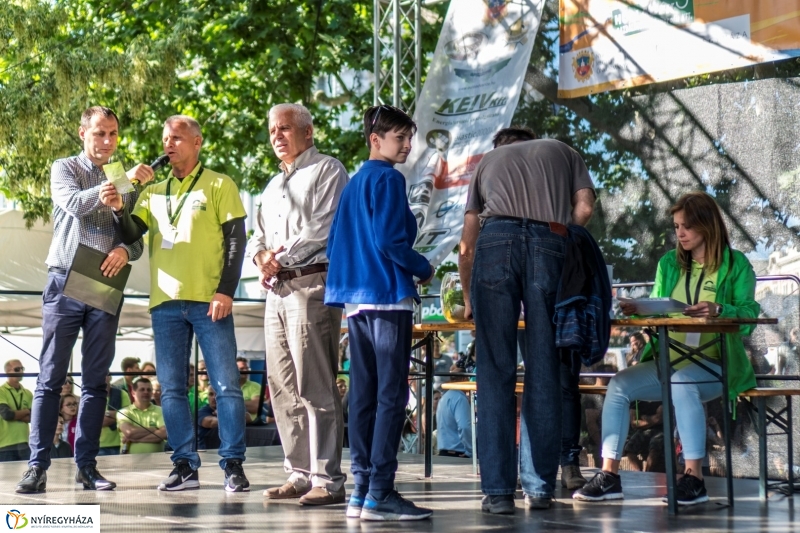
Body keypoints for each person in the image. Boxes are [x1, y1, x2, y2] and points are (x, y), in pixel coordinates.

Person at [574, 191, 760, 506]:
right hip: (668, 361)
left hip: (717, 366)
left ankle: (694, 479)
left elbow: (749, 317)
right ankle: (609, 476)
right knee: (619, 385)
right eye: (676, 227)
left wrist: (718, 309)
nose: (680, 233)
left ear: (708, 226)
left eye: (686, 226)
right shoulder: (668, 264)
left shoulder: (736, 264)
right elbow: (659, 308)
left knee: (682, 382)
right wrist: (640, 308)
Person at [106, 114, 250, 492]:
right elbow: (131, 232)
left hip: (209, 300)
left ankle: (232, 464)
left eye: (178, 138)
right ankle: (185, 465)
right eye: (166, 138)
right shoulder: (153, 191)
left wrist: (226, 290)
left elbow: (236, 242)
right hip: (165, 303)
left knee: (226, 386)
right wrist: (122, 205)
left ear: (198, 142)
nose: (169, 144)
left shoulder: (220, 184)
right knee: (170, 389)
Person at [16, 106, 154, 494]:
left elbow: (135, 237)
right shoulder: (64, 168)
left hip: (104, 282)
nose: (107, 141)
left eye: (112, 134)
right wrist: (120, 183)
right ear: (83, 133)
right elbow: (75, 204)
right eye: (99, 134)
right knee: (50, 378)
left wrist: (126, 251)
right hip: (64, 279)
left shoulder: (121, 177)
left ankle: (87, 467)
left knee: (96, 381)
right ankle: (36, 466)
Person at [459, 131, 595, 513]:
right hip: (548, 239)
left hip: (494, 240)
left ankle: (499, 494)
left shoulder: (487, 161)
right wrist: (559, 233)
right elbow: (584, 209)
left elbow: (467, 243)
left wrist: (470, 298)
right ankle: (538, 489)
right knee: (543, 370)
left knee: (495, 371)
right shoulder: (564, 151)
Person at [325, 104, 435, 521]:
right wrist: (423, 268)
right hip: (388, 296)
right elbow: (392, 242)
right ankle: (380, 492)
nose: (408, 145)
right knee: (390, 394)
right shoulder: (388, 178)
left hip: (355, 303)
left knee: (364, 395)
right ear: (376, 140)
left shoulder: (353, 184)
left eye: (410, 138)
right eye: (400, 138)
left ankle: (361, 491)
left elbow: (334, 246)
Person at [247, 103, 348, 506]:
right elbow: (256, 235)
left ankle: (328, 478)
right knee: (282, 386)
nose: (277, 136)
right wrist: (260, 258)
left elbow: (321, 228)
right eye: (272, 129)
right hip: (276, 291)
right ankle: (299, 473)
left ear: (308, 132)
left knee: (315, 382)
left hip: (311, 284)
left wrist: (278, 258)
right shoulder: (272, 186)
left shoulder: (328, 169)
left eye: (285, 128)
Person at [117, 378, 167, 454]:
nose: (146, 392)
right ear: (133, 393)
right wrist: (154, 429)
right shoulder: (124, 412)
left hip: (157, 461)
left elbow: (164, 433)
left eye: (149, 390)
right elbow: (130, 432)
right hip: (129, 462)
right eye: (142, 389)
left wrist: (135, 440)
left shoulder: (161, 411)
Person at [436, 365, 472, 458]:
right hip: (458, 453)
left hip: (444, 451)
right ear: (464, 379)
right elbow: (464, 427)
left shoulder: (444, 397)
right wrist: (470, 451)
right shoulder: (460, 399)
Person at [0, 360, 33, 462]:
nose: (21, 371)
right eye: (17, 369)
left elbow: (34, 417)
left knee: (26, 476)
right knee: (7, 478)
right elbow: (7, 415)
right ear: (7, 372)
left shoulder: (28, 393)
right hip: (5, 445)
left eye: (22, 368)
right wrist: (27, 411)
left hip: (24, 444)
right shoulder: (1, 391)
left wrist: (16, 414)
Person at [98, 375, 129, 456]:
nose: (103, 377)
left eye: (106, 374)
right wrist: (117, 416)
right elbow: (94, 421)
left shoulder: (122, 394)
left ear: (110, 377)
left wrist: (106, 413)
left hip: (120, 443)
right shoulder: (92, 396)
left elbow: (127, 416)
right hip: (99, 445)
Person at [236, 357, 260, 421]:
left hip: (251, 426)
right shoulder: (227, 386)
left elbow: (255, 407)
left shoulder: (255, 386)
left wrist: (230, 402)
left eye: (247, 368)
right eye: (242, 369)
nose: (245, 371)